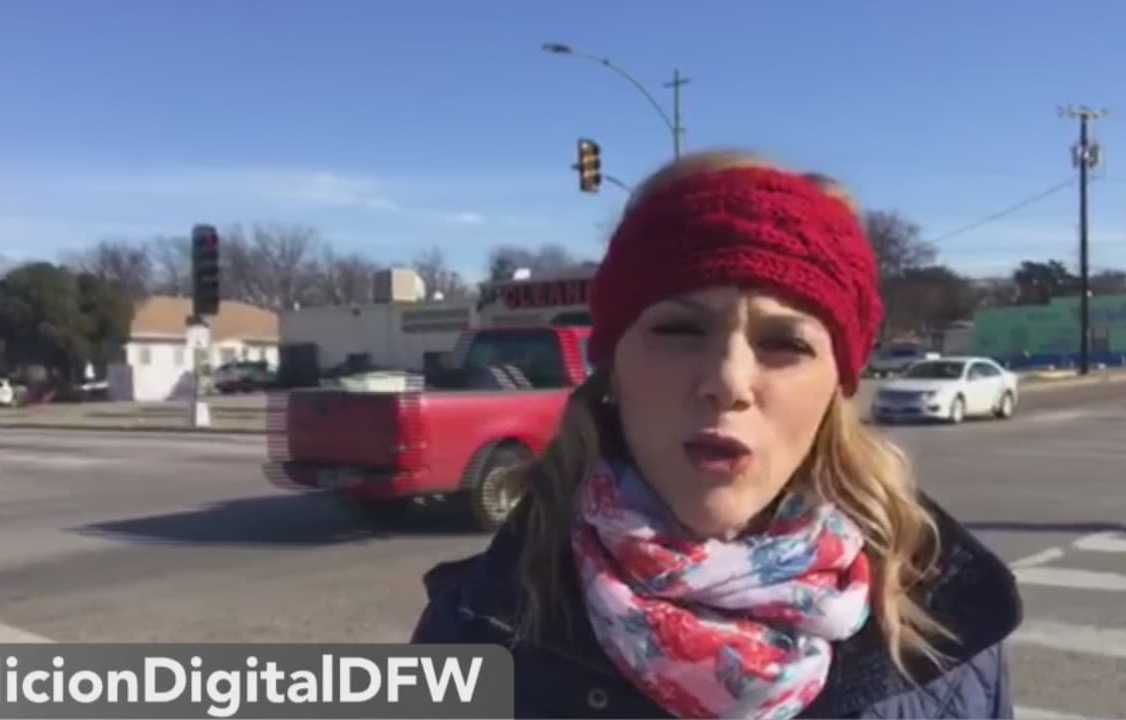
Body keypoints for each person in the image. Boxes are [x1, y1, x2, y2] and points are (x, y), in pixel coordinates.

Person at [410, 150, 1023, 718]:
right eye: (679, 331)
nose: (728, 381)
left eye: (785, 343)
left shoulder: (950, 644)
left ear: (836, 390)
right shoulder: (469, 629)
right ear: (614, 367)